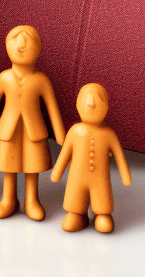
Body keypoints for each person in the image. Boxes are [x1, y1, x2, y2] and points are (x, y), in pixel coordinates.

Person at [0, 25, 67, 220]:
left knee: (32, 166)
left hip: (34, 130)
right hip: (8, 129)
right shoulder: (4, 77)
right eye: (15, 41)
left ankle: (32, 199)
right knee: (9, 166)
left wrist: (60, 134)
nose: (21, 46)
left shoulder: (41, 80)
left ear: (39, 49)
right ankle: (8, 199)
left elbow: (52, 108)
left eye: (28, 42)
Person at [51, 82, 132, 233]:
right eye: (86, 99)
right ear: (77, 104)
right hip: (77, 178)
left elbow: (119, 156)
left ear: (107, 105)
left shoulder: (108, 134)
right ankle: (77, 214)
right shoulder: (75, 131)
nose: (91, 104)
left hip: (100, 180)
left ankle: (102, 215)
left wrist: (125, 175)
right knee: (75, 201)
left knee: (102, 203)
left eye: (97, 99)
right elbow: (65, 153)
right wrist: (57, 172)